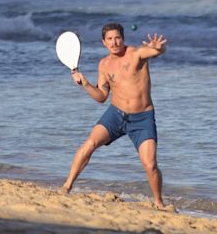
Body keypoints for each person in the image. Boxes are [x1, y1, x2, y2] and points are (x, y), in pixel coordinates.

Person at [61, 23, 167, 209]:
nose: (114, 42)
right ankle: (66, 186)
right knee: (89, 144)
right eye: (109, 39)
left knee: (150, 164)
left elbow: (155, 52)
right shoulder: (103, 65)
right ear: (104, 42)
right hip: (116, 115)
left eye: (117, 37)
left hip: (142, 118)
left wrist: (159, 48)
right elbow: (101, 97)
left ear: (123, 38)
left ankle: (158, 202)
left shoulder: (135, 54)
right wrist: (85, 84)